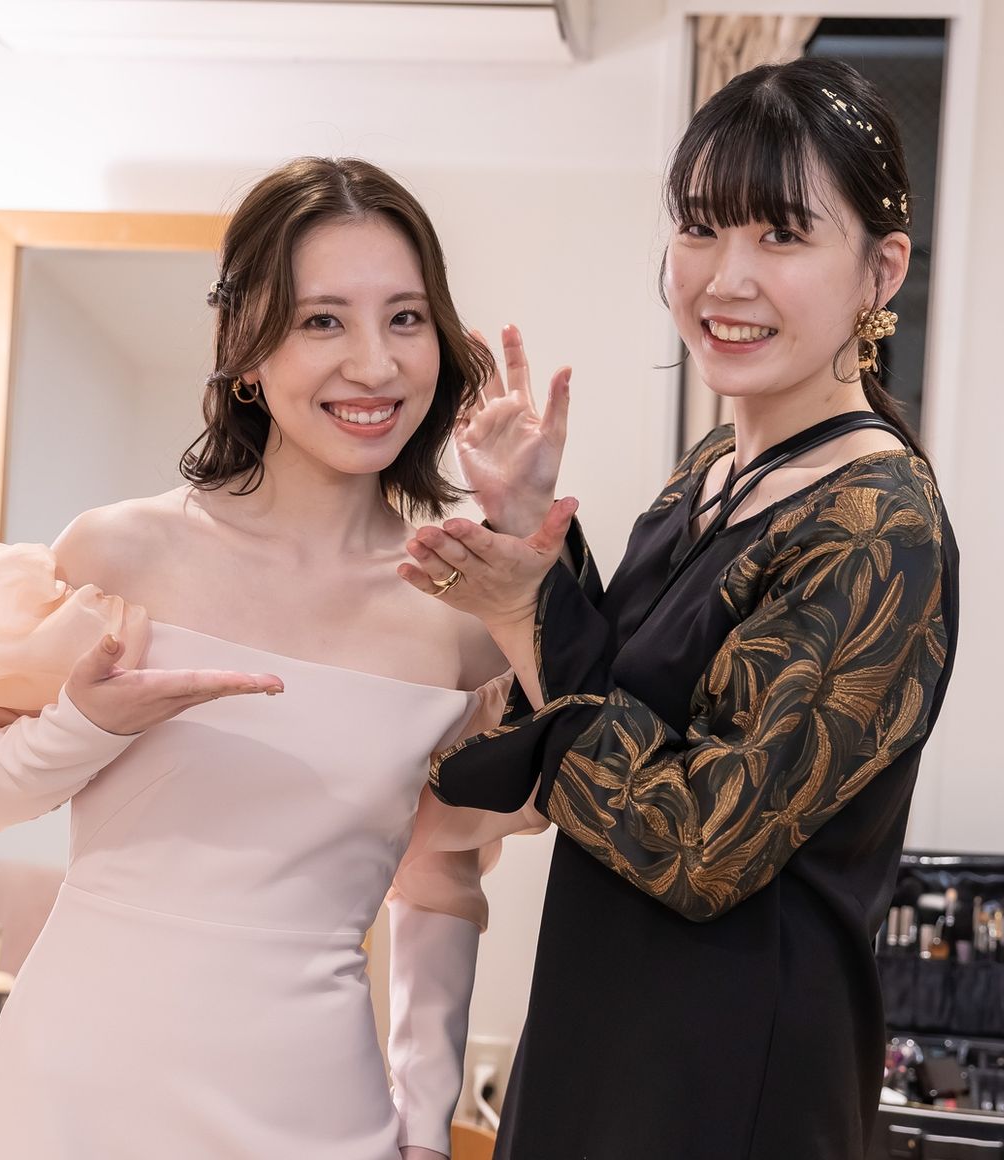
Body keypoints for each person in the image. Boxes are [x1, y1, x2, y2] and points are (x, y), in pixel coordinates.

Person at [0, 156, 544, 1160]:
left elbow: (440, 877)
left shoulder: (460, 621)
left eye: (405, 318)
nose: (374, 364)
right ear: (246, 347)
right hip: (73, 1094)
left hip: (314, 1113)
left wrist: (426, 1124)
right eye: (323, 319)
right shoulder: (123, 552)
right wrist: (83, 727)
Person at [399, 58, 960, 1160]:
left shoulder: (878, 525)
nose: (725, 278)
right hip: (603, 1025)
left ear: (879, 270)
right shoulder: (718, 465)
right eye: (701, 228)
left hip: (730, 1081)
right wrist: (529, 525)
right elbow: (619, 692)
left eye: (782, 235)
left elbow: (701, 840)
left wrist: (521, 610)